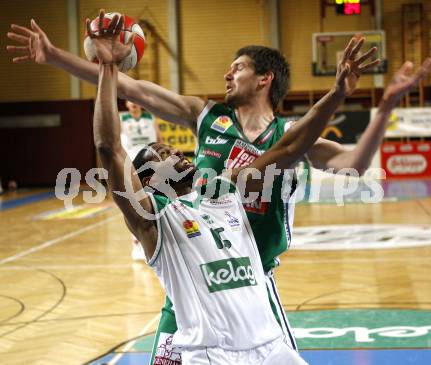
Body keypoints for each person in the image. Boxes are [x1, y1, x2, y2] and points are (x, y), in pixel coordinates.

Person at [6, 12, 431, 363]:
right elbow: (127, 91)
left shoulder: (288, 138)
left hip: (252, 280)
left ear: (265, 78)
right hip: (191, 272)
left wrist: (378, 109)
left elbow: (353, 163)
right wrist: (56, 57)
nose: (227, 74)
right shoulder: (206, 117)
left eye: (238, 67)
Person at [90, 14, 350, 364]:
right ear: (149, 181)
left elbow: (289, 148)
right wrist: (108, 69)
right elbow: (109, 148)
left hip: (267, 345)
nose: (176, 153)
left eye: (171, 149)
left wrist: (336, 95)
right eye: (162, 155)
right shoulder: (155, 222)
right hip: (211, 353)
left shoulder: (224, 193)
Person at [119, 100, 164, 260]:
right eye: (130, 101)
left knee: (153, 201)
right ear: (126, 103)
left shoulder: (150, 118)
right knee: (135, 203)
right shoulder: (121, 119)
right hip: (130, 163)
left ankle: (156, 240)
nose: (134, 103)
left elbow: (160, 139)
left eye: (136, 101)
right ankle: (136, 244)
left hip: (150, 164)